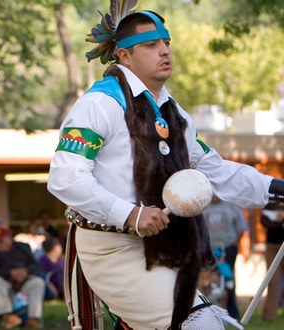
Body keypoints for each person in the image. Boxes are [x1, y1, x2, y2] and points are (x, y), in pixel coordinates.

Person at [47, 4, 282, 329]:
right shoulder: (99, 104)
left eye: (167, 43)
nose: (164, 51)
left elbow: (216, 171)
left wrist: (275, 190)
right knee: (199, 326)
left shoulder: (174, 115)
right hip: (111, 250)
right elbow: (65, 179)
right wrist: (131, 214)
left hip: (162, 245)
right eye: (151, 45)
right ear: (124, 56)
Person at [0, 226, 44, 329]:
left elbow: (36, 266)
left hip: (24, 281)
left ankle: (33, 319)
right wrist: (10, 273)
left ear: (9, 238)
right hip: (6, 283)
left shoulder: (23, 247)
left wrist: (25, 272)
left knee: (38, 282)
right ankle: (7, 316)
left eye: (1, 240)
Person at [202, 196, 248, 319]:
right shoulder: (203, 207)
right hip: (208, 249)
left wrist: (234, 246)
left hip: (227, 249)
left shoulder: (231, 206)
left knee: (228, 281)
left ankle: (232, 313)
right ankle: (208, 313)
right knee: (208, 281)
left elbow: (241, 228)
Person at [261, 202, 284, 321]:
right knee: (272, 281)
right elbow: (264, 221)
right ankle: (269, 316)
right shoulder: (270, 204)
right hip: (272, 247)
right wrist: (279, 220)